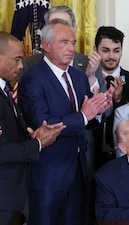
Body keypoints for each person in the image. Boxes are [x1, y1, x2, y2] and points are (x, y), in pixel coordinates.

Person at [17, 19, 112, 225]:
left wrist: (97, 112)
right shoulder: (32, 80)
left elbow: (87, 120)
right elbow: (44, 124)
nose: (71, 48)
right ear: (46, 45)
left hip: (78, 171)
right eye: (64, 42)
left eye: (73, 42)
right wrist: (84, 115)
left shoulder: (78, 77)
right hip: (48, 175)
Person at [0, 31, 65, 225]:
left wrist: (32, 138)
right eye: (17, 59)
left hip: (13, 198)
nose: (21, 66)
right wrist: (37, 144)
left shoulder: (5, 90)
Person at [85, 26, 129, 165]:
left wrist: (119, 100)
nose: (111, 56)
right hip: (91, 156)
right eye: (105, 50)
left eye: (116, 50)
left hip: (124, 157)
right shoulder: (84, 77)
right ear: (95, 50)